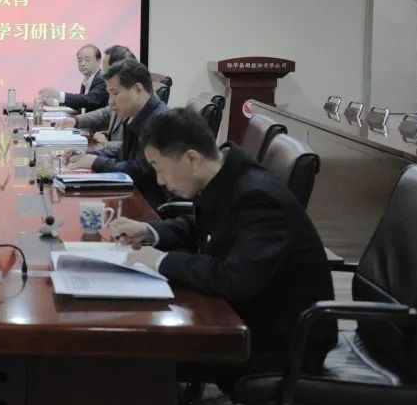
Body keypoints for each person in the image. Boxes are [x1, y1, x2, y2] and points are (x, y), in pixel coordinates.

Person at [109, 107, 337, 387]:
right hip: (247, 316)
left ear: (192, 158)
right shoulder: (226, 176)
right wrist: (149, 231)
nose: (160, 181)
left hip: (280, 344)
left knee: (135, 351)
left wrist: (158, 261)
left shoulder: (259, 198)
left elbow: (234, 278)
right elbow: (202, 226)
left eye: (159, 168)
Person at [63, 58, 169, 206]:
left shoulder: (160, 122)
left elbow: (141, 172)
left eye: (115, 93)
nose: (110, 102)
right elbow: (123, 151)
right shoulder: (137, 114)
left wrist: (96, 162)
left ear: (138, 89)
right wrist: (88, 155)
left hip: (150, 205)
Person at [52, 44, 136, 149]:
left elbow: (136, 147)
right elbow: (106, 113)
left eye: (106, 72)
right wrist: (76, 121)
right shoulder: (118, 91)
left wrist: (107, 144)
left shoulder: (140, 104)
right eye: (80, 60)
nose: (103, 75)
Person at [38, 44, 108, 112]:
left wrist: (59, 95)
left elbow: (90, 100)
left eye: (87, 60)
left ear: (98, 61)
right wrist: (55, 103)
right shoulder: (87, 81)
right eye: (80, 60)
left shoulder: (102, 78)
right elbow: (81, 104)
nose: (82, 64)